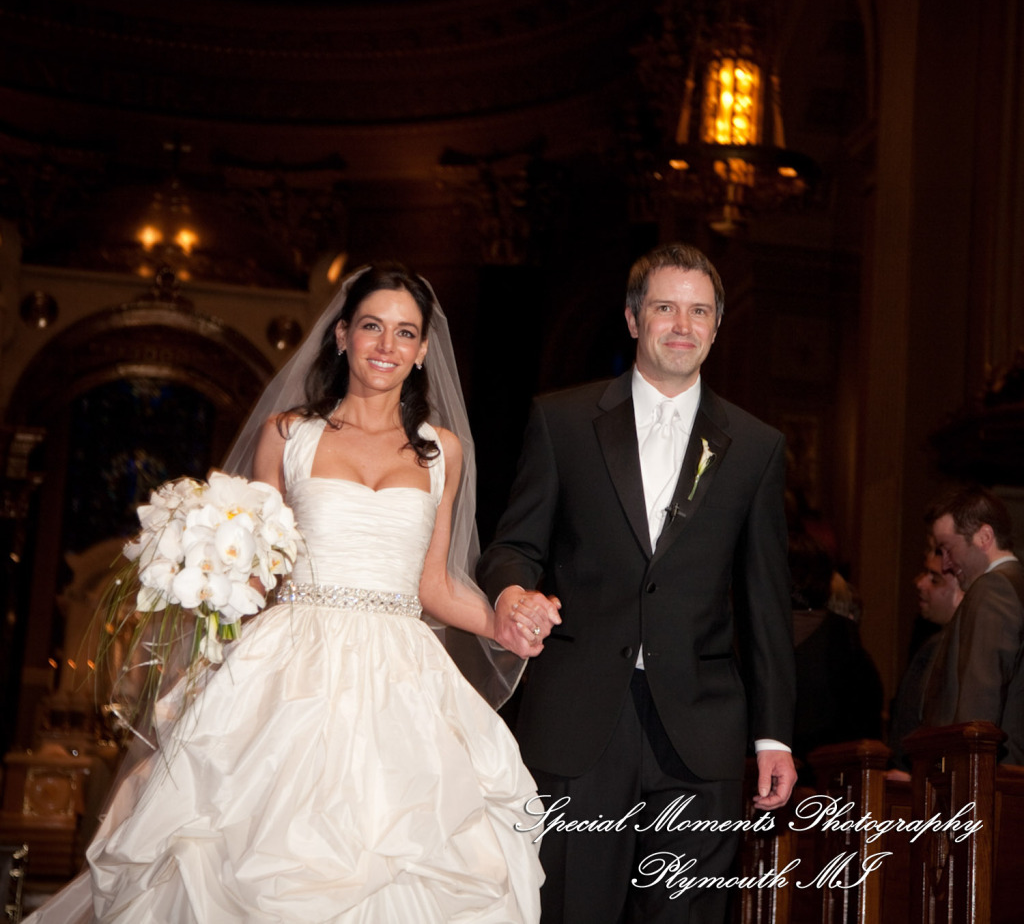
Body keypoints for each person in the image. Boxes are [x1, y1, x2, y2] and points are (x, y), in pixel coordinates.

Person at [27, 263, 546, 923]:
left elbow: (435, 585)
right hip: (291, 665)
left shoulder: (442, 450)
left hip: (401, 671)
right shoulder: (287, 434)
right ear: (343, 336)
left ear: (421, 351)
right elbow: (258, 569)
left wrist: (500, 622)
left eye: (404, 333)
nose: (386, 345)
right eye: (372, 327)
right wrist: (202, 571)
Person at [477, 244, 796, 923]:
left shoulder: (756, 446)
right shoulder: (562, 421)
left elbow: (765, 602)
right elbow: (513, 547)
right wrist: (511, 593)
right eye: (665, 308)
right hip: (578, 719)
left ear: (717, 326)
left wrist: (774, 736)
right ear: (632, 319)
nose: (682, 324)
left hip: (700, 730)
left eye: (699, 311)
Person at [922, 485, 1024, 764]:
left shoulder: (993, 589)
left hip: (985, 773)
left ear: (984, 537)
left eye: (947, 548)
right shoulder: (1015, 584)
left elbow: (979, 705)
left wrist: (966, 772)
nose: (945, 564)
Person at [788, 531, 882, 772]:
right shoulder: (844, 636)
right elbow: (865, 718)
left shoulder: (747, 632)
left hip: (819, 772)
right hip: (830, 775)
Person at [888, 537, 963, 772]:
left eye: (935, 579)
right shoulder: (929, 638)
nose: (919, 583)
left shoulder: (956, 648)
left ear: (962, 592)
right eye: (924, 574)